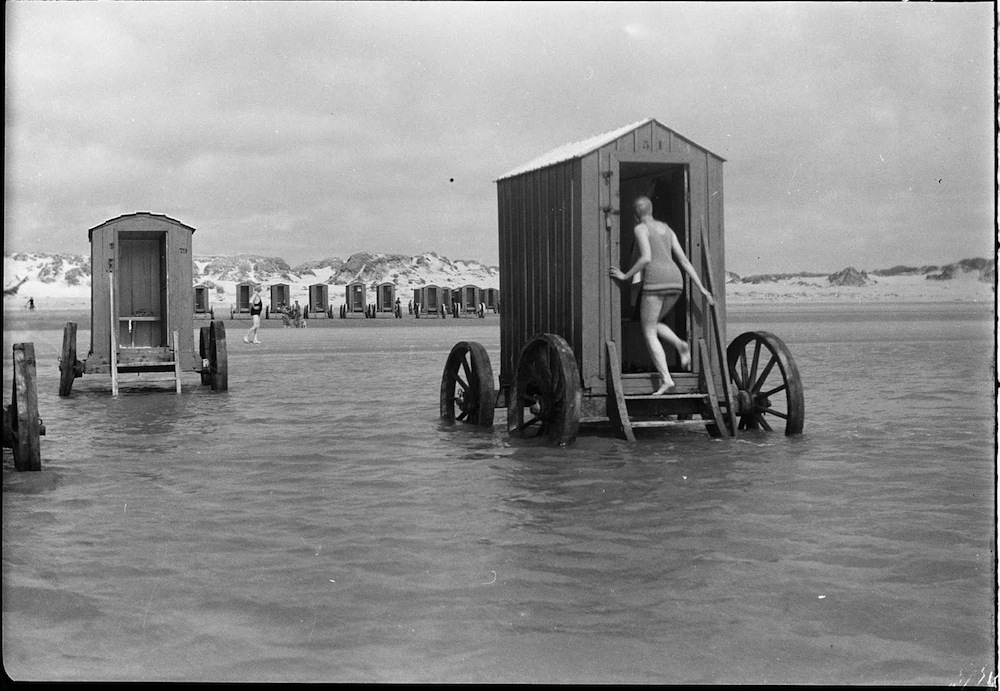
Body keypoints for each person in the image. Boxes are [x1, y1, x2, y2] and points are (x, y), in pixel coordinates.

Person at [609, 196, 714, 395]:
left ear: (635, 215)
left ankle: (666, 379)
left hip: (655, 281)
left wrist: (625, 276)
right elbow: (683, 260)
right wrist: (701, 288)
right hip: (676, 281)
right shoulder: (667, 229)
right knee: (654, 323)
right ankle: (680, 344)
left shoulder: (640, 229)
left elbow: (646, 257)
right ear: (651, 210)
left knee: (648, 331)